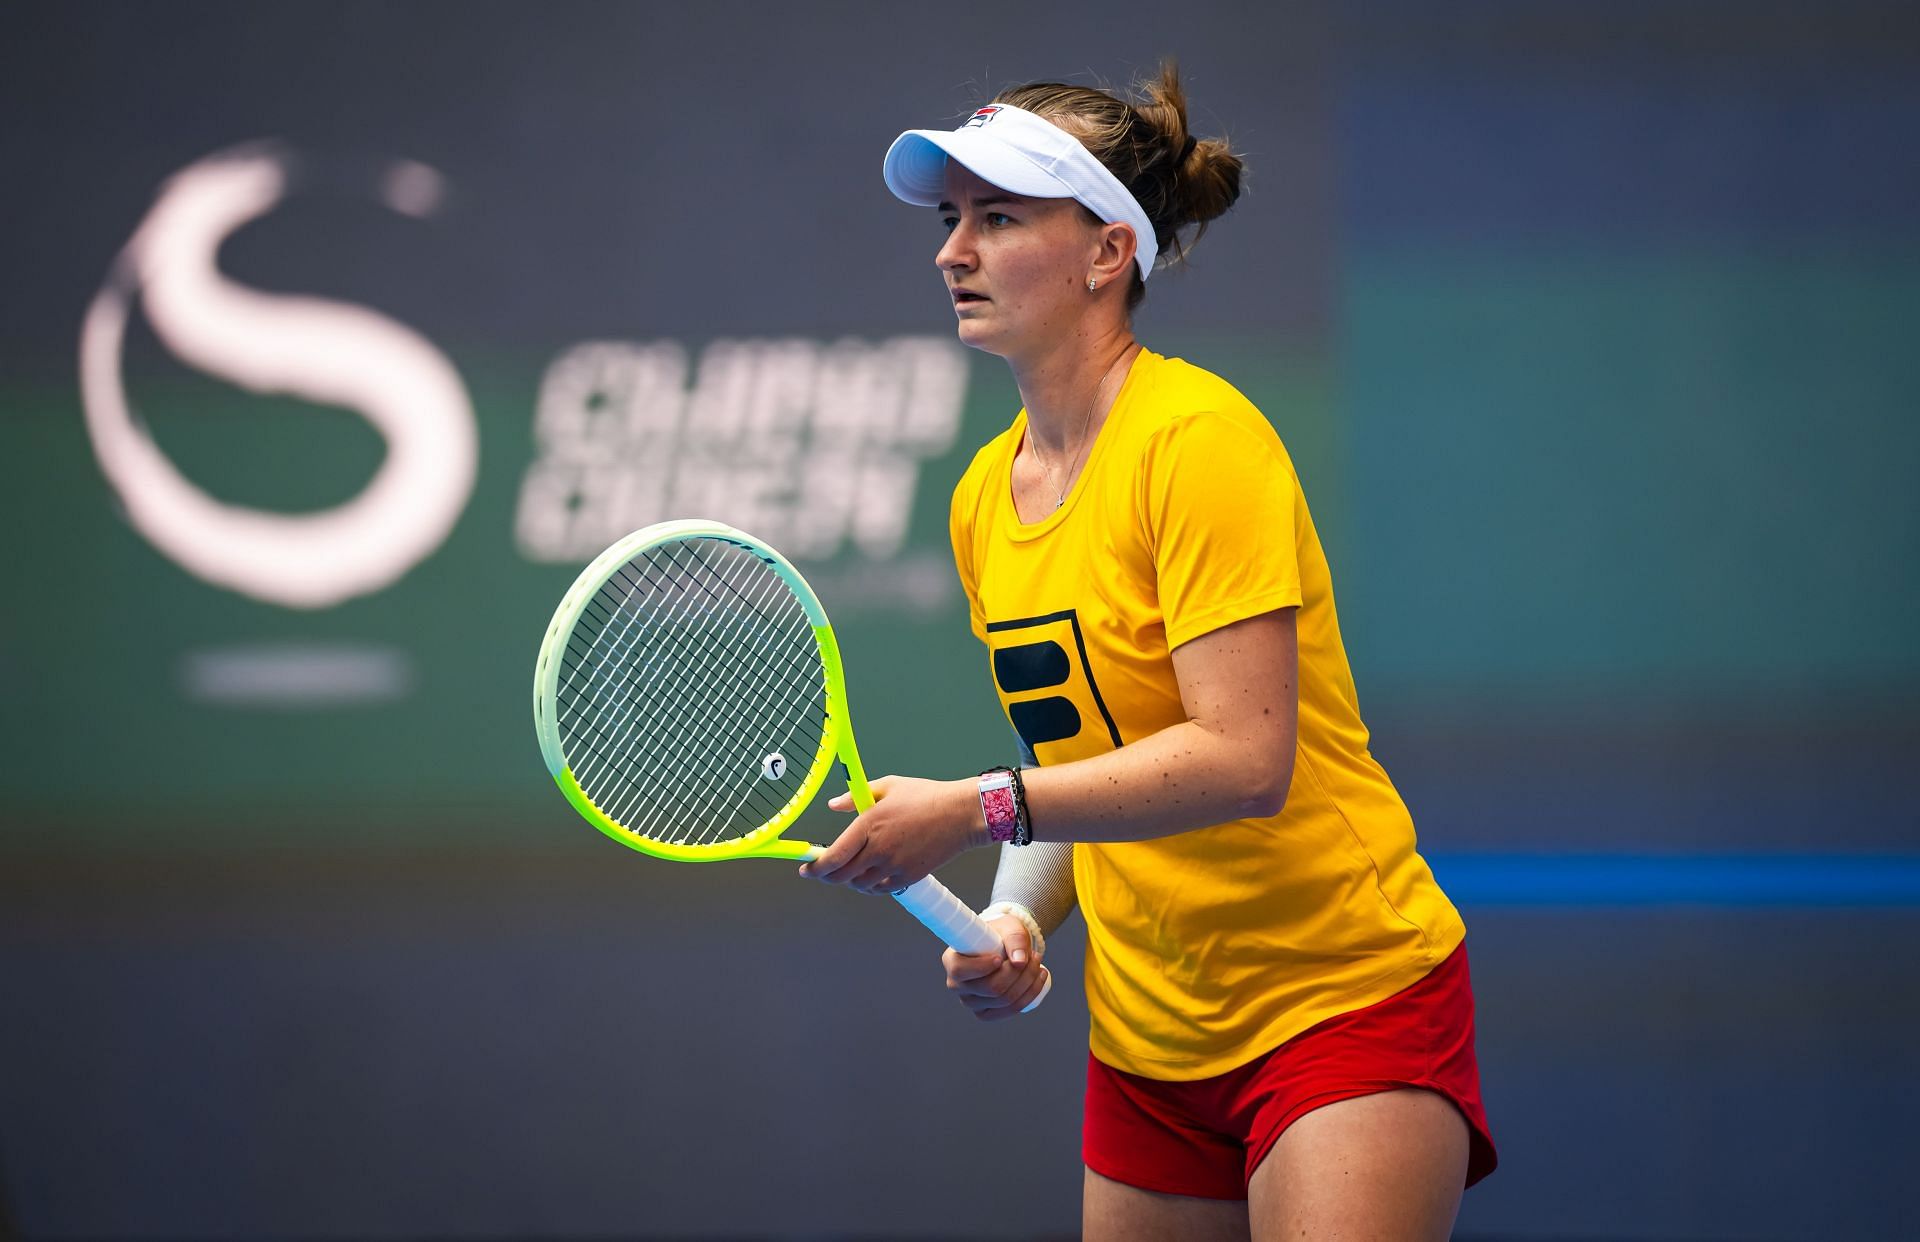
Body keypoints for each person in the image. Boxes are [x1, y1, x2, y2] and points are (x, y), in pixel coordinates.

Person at [800, 65, 1496, 1240]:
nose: (953, 252)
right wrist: (1017, 918)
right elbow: (1080, 765)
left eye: (999, 217)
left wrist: (973, 810)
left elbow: (1241, 759)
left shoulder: (1199, 443)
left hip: (1336, 1001)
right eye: (950, 220)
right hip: (1149, 1042)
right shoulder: (984, 497)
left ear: (1106, 252)